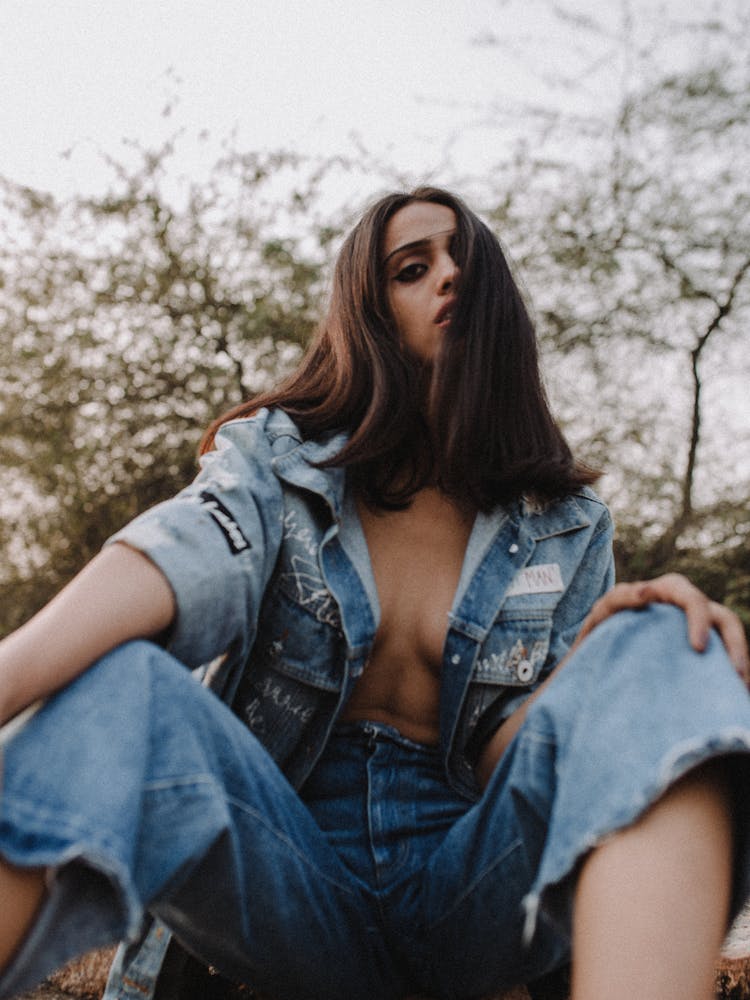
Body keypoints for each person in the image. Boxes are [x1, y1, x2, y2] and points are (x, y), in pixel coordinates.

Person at [0, 187, 749, 1000]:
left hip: (470, 887)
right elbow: (189, 555)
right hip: (289, 884)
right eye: (412, 267)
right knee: (122, 690)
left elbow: (509, 750)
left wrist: (611, 669)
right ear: (369, 307)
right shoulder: (275, 461)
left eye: (467, 261)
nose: (450, 278)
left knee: (669, 639)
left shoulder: (566, 523)